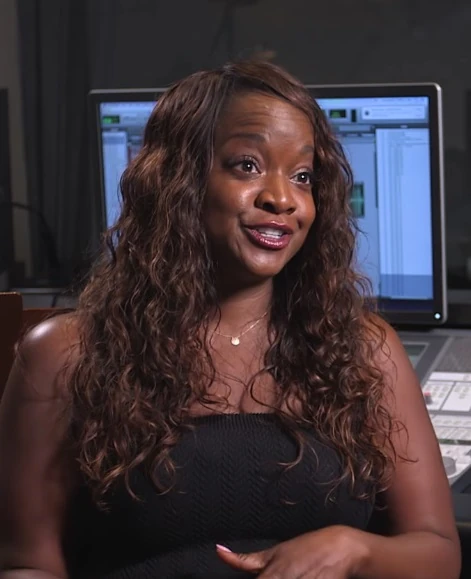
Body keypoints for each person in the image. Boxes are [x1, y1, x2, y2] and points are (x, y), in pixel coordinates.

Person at [0, 60, 461, 579]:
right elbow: (26, 566)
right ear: (178, 180)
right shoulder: (65, 355)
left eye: (302, 176)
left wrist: (355, 550)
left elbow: (438, 553)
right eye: (247, 165)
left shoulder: (364, 349)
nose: (282, 199)